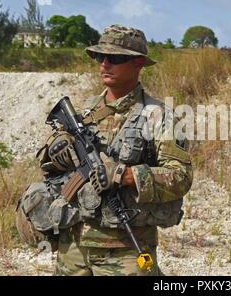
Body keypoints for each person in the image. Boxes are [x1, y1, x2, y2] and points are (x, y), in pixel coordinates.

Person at [16, 25, 193, 276]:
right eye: (101, 57)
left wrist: (125, 175)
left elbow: (181, 177)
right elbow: (52, 172)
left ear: (138, 63)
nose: (105, 64)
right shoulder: (86, 112)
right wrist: (56, 151)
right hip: (73, 245)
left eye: (116, 58)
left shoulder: (159, 117)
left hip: (125, 249)